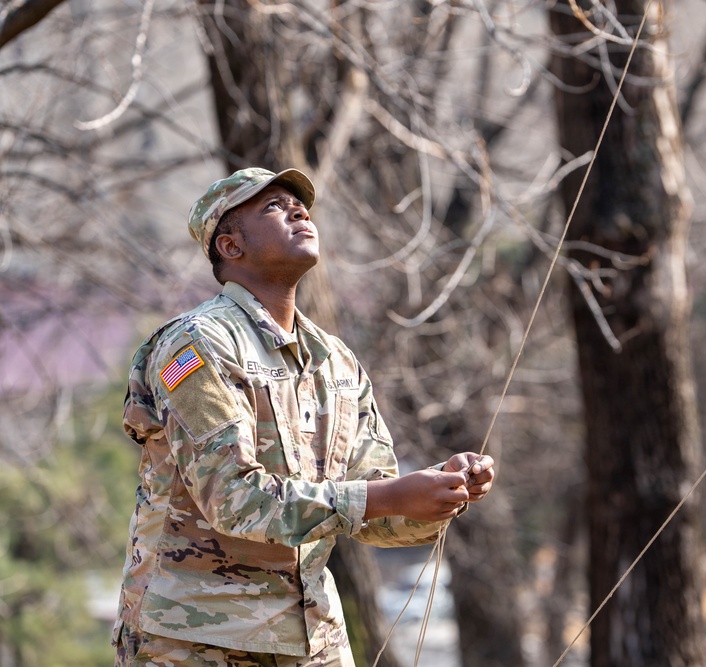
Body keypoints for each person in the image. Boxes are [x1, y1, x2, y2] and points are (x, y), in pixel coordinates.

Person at [111, 167, 495, 667]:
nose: (298, 210)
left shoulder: (336, 361)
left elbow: (374, 516)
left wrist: (439, 493)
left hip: (313, 643)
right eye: (273, 206)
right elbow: (233, 499)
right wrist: (387, 495)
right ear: (230, 247)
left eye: (299, 204)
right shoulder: (198, 345)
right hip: (193, 640)